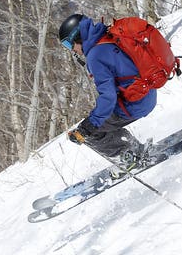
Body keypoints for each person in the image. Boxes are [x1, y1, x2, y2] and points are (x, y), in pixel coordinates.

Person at [58, 13, 156, 167]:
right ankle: (133, 150)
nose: (72, 50)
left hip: (135, 103)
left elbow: (108, 97)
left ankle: (129, 159)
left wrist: (89, 126)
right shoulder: (109, 35)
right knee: (102, 125)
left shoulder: (95, 56)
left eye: (69, 45)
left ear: (77, 37)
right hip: (148, 93)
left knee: (90, 133)